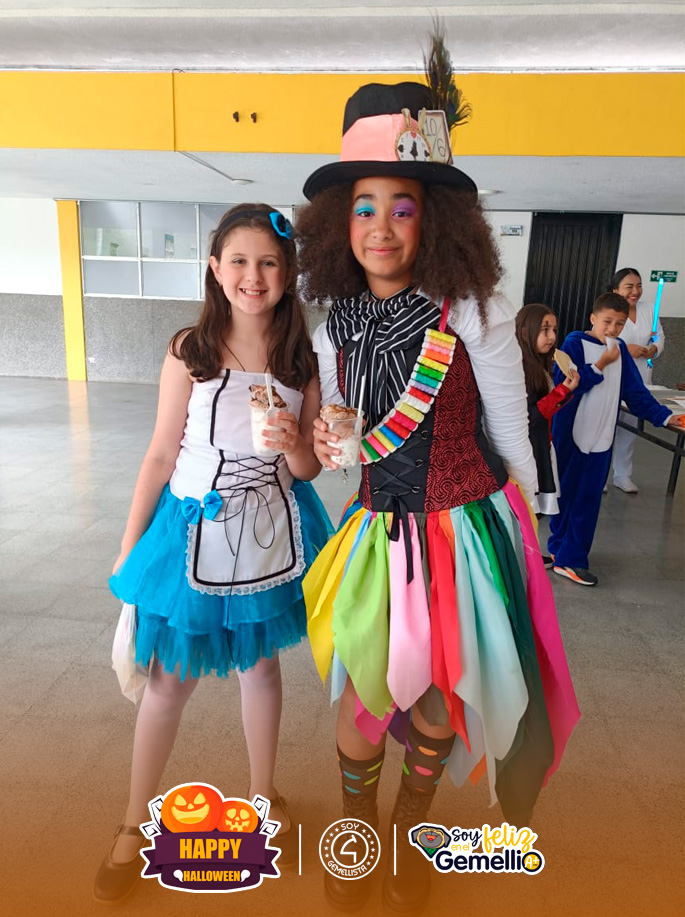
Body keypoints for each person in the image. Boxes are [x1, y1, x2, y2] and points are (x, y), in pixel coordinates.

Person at [296, 80, 580, 915]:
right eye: (363, 207)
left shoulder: (478, 312)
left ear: (435, 220)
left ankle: (409, 834)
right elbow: (342, 445)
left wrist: (526, 542)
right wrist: (324, 444)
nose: (380, 227)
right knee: (362, 702)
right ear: (339, 223)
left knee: (433, 705)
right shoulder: (332, 322)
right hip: (375, 538)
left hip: (463, 536)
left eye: (402, 208)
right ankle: (359, 839)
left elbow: (511, 430)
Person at [93, 204, 331, 904]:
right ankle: (133, 822)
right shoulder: (189, 349)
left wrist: (295, 441)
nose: (253, 276)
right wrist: (130, 546)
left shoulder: (302, 360)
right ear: (214, 267)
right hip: (191, 529)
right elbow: (161, 453)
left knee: (262, 669)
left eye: (269, 263)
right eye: (239, 261)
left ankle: (261, 799)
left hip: (269, 533)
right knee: (168, 684)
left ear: (288, 273)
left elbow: (309, 468)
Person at [549, 292, 678, 587]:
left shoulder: (620, 350)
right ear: (593, 318)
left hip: (602, 438)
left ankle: (571, 557)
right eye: (607, 321)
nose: (612, 329)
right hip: (570, 435)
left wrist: (665, 416)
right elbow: (564, 386)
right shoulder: (574, 343)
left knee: (588, 498)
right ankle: (560, 550)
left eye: (619, 324)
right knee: (565, 494)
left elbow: (636, 393)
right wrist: (600, 365)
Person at [515, 303, 579, 565]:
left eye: (554, 329)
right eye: (544, 329)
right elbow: (530, 415)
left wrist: (564, 391)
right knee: (527, 505)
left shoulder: (540, 363)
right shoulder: (520, 366)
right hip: (527, 447)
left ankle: (526, 553)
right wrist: (563, 391)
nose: (552, 336)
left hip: (542, 443)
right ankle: (521, 555)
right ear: (525, 331)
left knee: (535, 507)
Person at [609, 267, 666, 493]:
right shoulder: (610, 311)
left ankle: (622, 475)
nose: (635, 291)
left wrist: (654, 349)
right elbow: (602, 340)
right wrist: (626, 349)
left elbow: (659, 337)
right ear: (616, 290)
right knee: (607, 430)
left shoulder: (650, 309)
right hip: (614, 378)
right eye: (629, 286)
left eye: (639, 286)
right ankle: (600, 477)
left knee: (630, 430)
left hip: (641, 378)